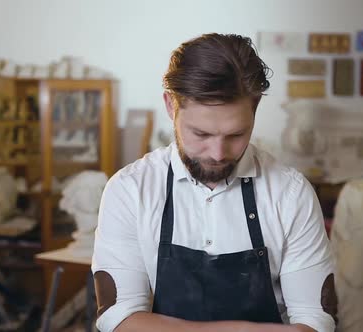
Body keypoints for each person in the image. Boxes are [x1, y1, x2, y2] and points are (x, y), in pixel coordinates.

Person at [92, 33, 336, 332]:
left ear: (255, 109)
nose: (218, 154)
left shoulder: (291, 193)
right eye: (201, 134)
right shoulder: (130, 190)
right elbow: (119, 318)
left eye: (236, 135)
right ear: (171, 106)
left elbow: (315, 320)